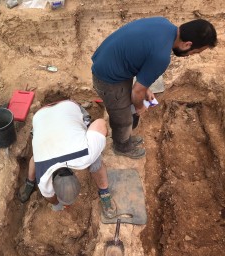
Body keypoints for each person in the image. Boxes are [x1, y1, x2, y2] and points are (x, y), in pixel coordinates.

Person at [91, 17, 217, 159]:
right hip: (108, 78)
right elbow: (137, 92)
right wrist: (139, 107)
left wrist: (146, 88)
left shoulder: (163, 23)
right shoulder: (161, 57)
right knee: (123, 118)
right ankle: (121, 147)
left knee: (127, 108)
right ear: (187, 44)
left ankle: (125, 138)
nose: (189, 56)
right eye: (194, 52)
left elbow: (140, 56)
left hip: (109, 60)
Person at [18, 100, 117, 219]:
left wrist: (97, 142)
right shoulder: (43, 179)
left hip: (59, 111)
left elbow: (100, 122)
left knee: (95, 159)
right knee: (37, 158)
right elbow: (50, 198)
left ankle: (104, 192)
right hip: (44, 115)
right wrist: (56, 203)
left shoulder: (86, 154)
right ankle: (29, 182)